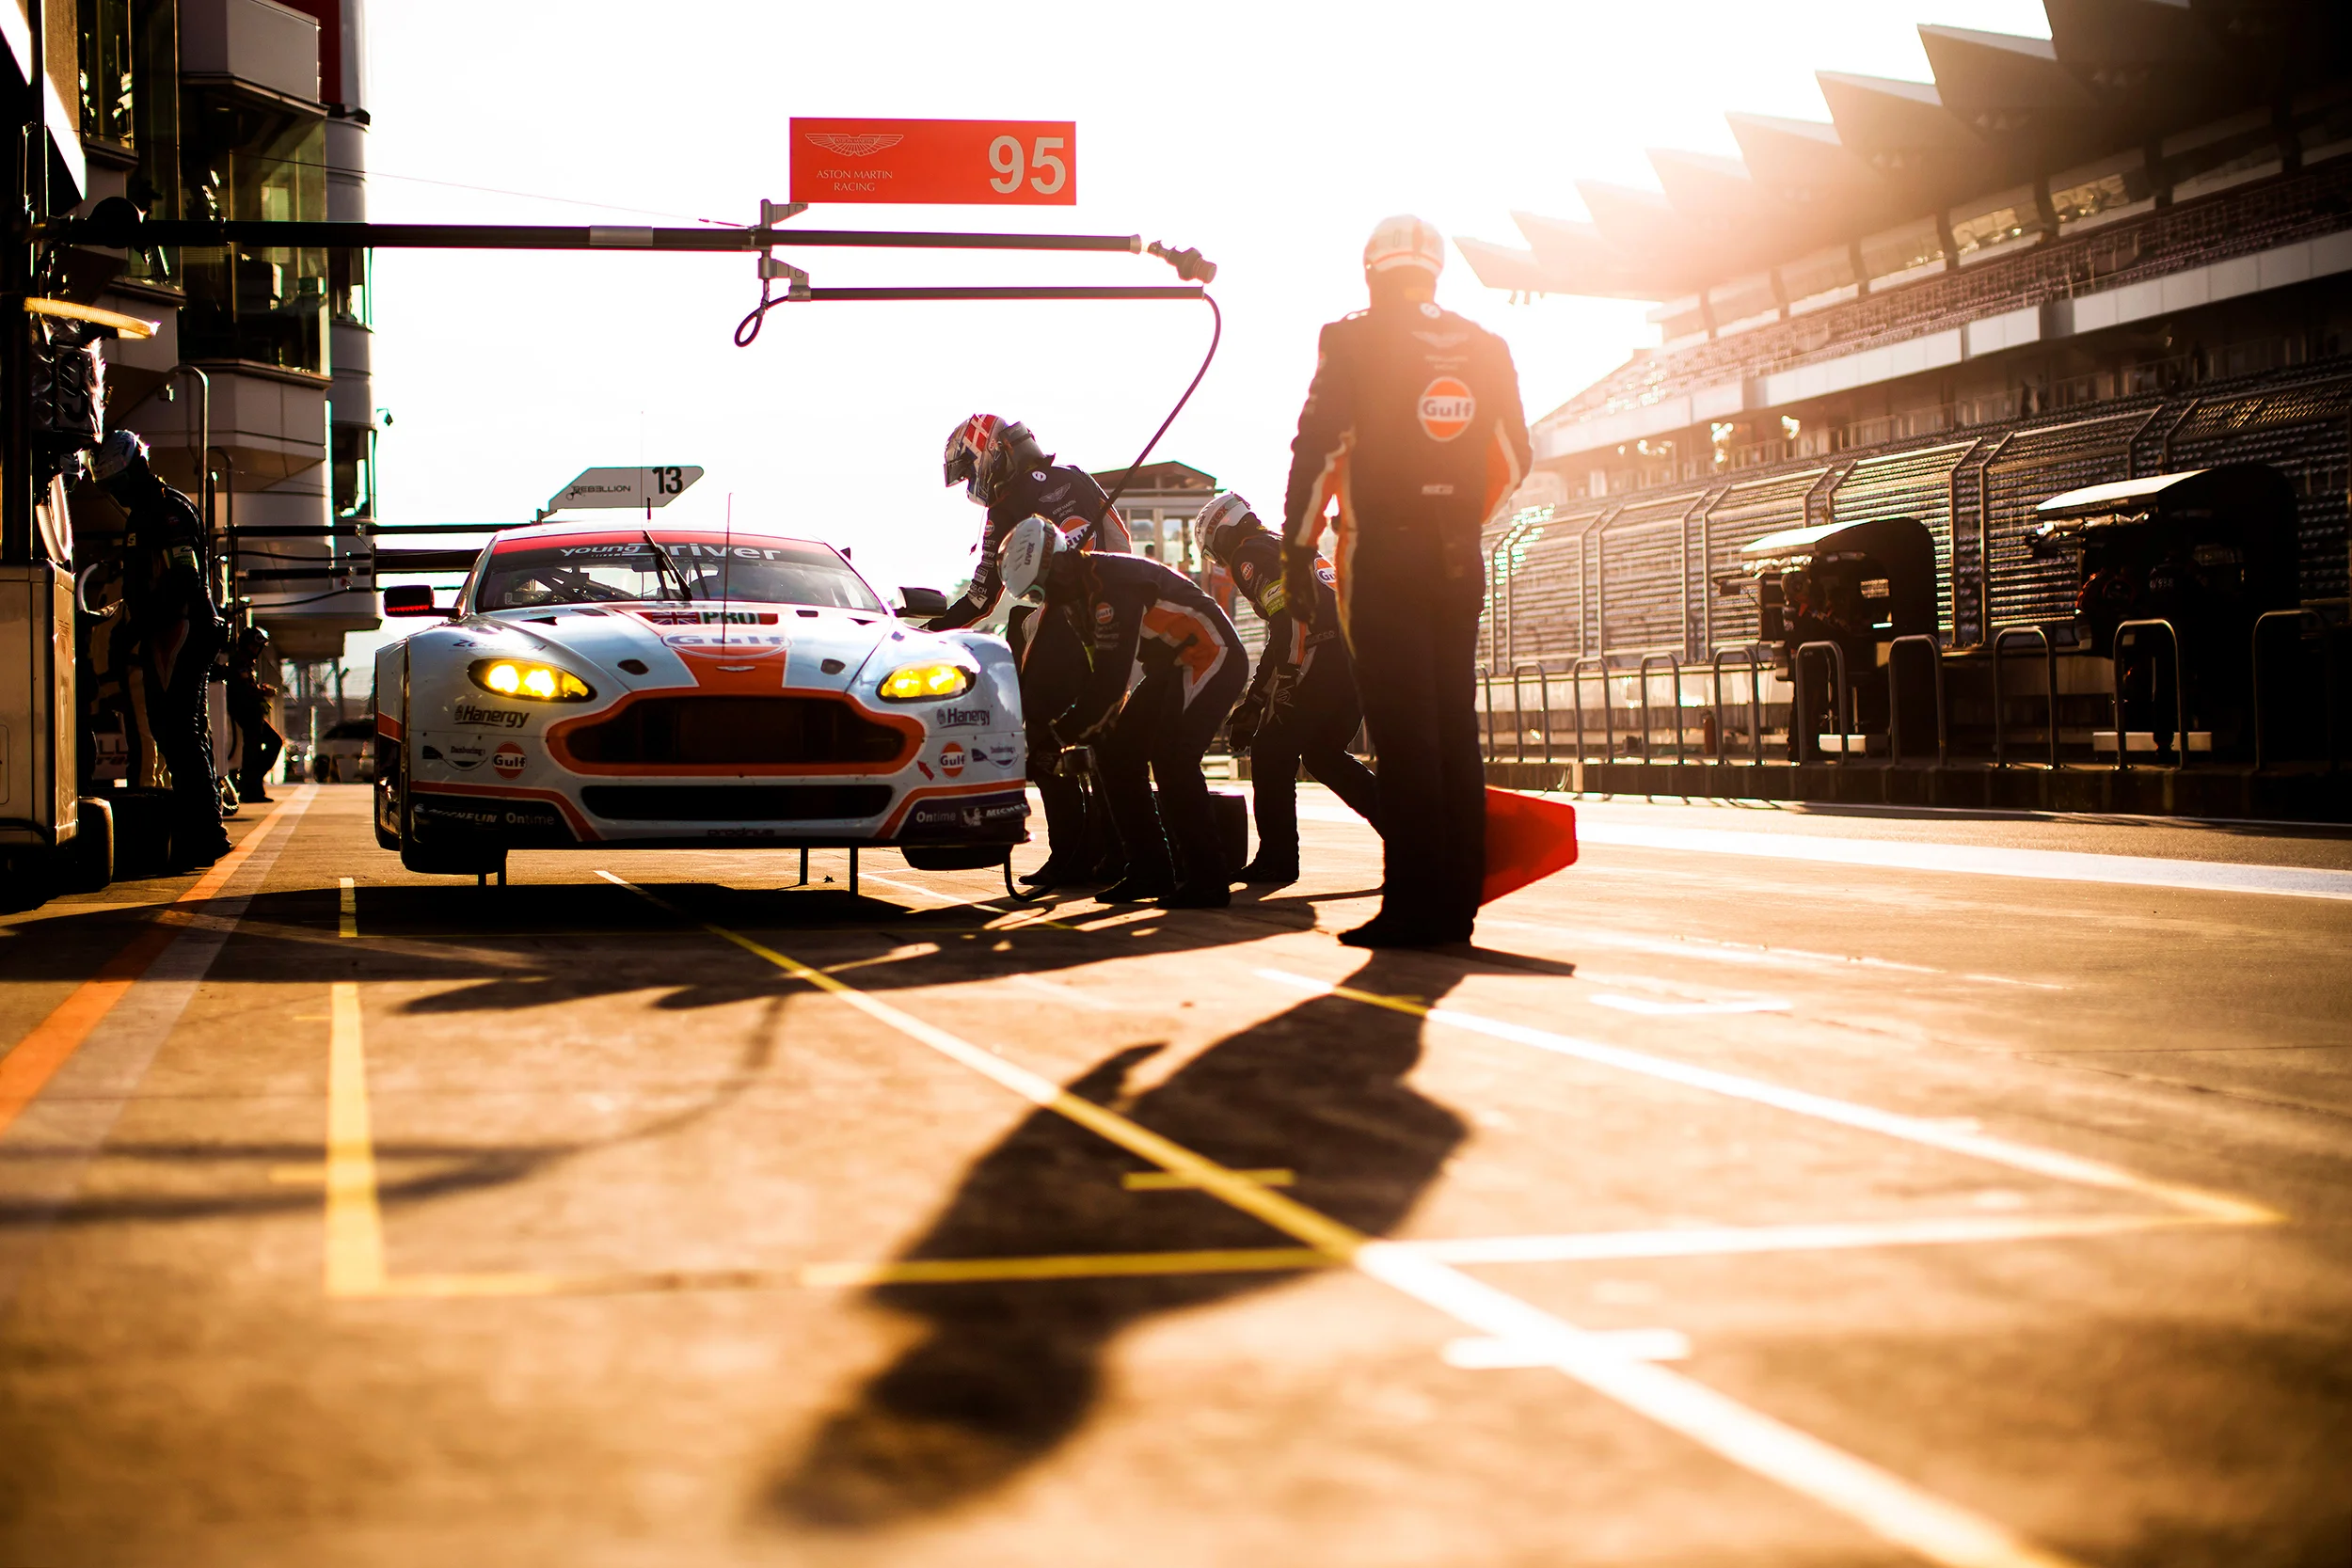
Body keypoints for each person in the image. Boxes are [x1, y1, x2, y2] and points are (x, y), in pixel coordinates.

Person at [1280, 214, 1531, 947]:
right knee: (1455, 723)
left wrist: (1298, 552)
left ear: (1372, 271)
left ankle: (1413, 905)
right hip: (1459, 555)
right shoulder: (1487, 345)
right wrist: (1458, 516)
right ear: (1435, 270)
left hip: (1381, 557)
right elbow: (1516, 456)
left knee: (1404, 730)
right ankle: (1456, 902)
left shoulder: (1351, 338)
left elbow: (1317, 449)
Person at [999, 515, 1243, 909]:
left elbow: (1110, 683)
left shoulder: (1111, 587)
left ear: (1061, 563)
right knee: (1115, 756)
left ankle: (1208, 879)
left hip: (1211, 654)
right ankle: (1149, 869)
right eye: (1037, 595)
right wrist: (1082, 734)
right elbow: (1105, 685)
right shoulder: (1075, 601)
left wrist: (1057, 737)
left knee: (1172, 760)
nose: (1048, 598)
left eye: (1046, 587)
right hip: (1171, 666)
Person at [933, 415, 1135, 888]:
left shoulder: (1006, 502)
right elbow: (1122, 544)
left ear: (991, 453)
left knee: (1042, 737)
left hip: (1063, 621)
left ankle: (1071, 853)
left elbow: (982, 598)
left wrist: (930, 630)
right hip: (1113, 618)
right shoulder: (1080, 479)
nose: (970, 481)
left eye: (969, 468)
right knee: (1102, 735)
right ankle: (1115, 851)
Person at [1193, 492, 1379, 884]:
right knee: (1323, 754)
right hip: (1355, 658)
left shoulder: (1249, 555)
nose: (1222, 563)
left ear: (1221, 534)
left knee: (1271, 752)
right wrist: (1255, 700)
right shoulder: (1288, 546)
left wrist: (1285, 683)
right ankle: (1411, 836)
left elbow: (1291, 621)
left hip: (1322, 656)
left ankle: (1278, 858)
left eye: (1215, 553)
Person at [93, 430, 232, 868]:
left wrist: (139, 627)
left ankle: (204, 834)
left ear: (137, 468)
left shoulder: (168, 511)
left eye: (118, 484)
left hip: (183, 630)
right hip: (164, 632)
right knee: (176, 729)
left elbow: (184, 579)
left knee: (180, 732)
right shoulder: (144, 513)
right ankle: (202, 829)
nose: (116, 494)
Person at [224, 618, 283, 803]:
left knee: (260, 747)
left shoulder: (245, 663)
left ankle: (253, 785)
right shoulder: (240, 662)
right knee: (259, 748)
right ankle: (251, 786)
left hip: (250, 713)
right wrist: (262, 691)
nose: (258, 651)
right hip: (246, 713)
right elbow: (242, 688)